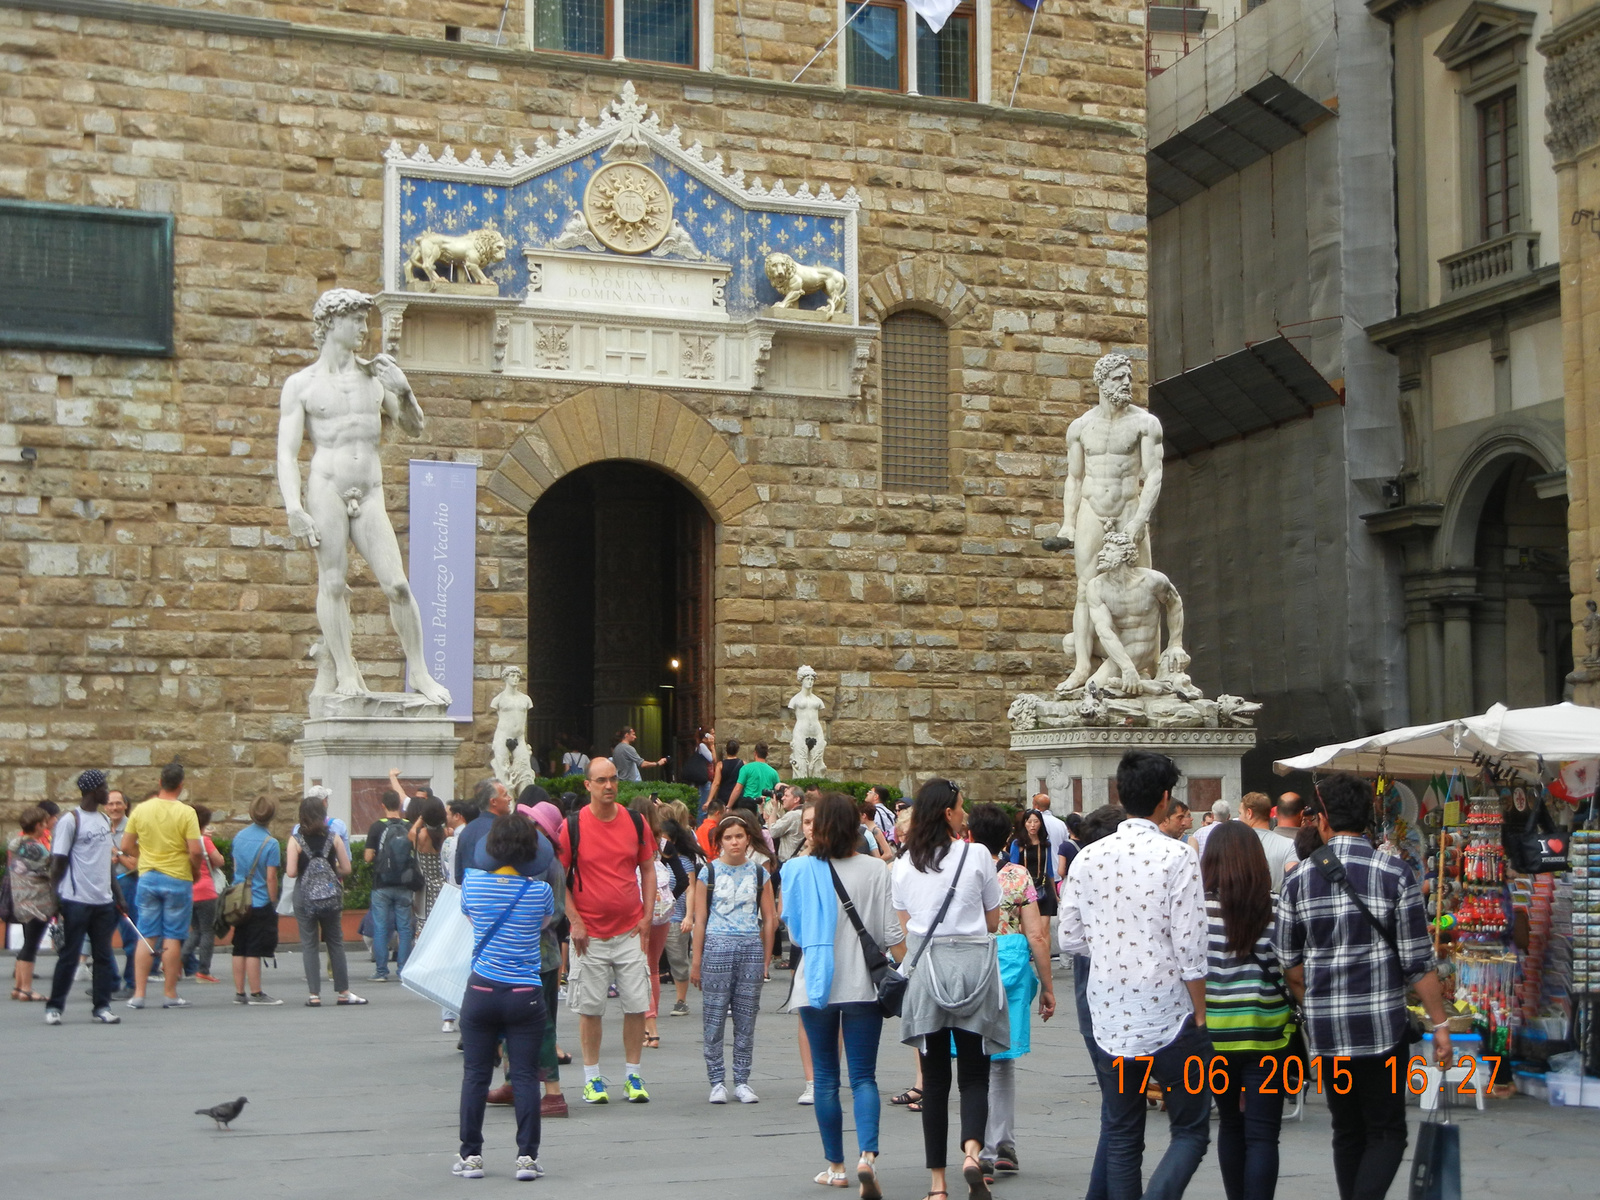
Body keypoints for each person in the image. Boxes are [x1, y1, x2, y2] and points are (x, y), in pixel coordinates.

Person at [1275, 773, 1450, 1200]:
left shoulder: (1298, 879)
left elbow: (1289, 963)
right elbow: (1417, 961)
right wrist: (1440, 1026)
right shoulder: (1395, 872)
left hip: (1329, 1032)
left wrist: (1314, 1001)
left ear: (1322, 820)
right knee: (1387, 1131)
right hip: (1383, 1030)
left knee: (1346, 1130)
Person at [274, 287, 450, 706]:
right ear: (332, 323)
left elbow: (414, 428)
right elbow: (285, 452)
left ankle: (420, 671)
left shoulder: (375, 376)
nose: (364, 329)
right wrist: (293, 507)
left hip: (370, 493)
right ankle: (347, 668)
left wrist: (404, 391)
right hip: (326, 488)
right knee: (333, 582)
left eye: (364, 321)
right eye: (357, 321)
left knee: (398, 586)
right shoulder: (301, 385)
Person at [1059, 750, 1211, 1200]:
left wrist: (1108, 948)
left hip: (1110, 1014)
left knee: (1123, 1133)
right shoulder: (1177, 857)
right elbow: (1191, 947)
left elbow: (1069, 936)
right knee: (1190, 1130)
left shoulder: (1089, 858)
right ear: (1165, 799)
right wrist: (1200, 1014)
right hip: (1171, 1015)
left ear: (1121, 794)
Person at [781, 789, 904, 1193]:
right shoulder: (874, 869)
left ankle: (835, 1166)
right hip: (863, 985)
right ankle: (867, 1155)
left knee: (826, 1079)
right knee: (865, 1077)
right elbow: (889, 933)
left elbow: (794, 932)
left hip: (815, 983)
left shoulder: (797, 869)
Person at [893, 779, 1005, 1200]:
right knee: (975, 1073)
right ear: (947, 813)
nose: (965, 812)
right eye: (961, 806)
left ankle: (938, 1186)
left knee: (935, 1080)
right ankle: (973, 1153)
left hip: (927, 971)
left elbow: (905, 929)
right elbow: (993, 921)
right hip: (973, 968)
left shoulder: (903, 864)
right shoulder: (977, 855)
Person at [455, 813, 557, 1181]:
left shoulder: (473, 885)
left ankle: (470, 1157)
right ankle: (527, 1159)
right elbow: (545, 925)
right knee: (526, 1076)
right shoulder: (540, 892)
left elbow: (471, 919)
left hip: (481, 989)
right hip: (524, 994)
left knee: (475, 1076)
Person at [556, 757, 658, 1105]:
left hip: (630, 930)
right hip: (590, 935)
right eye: (601, 780)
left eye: (613, 779)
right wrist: (575, 921)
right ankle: (592, 1079)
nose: (609, 786)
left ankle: (633, 1076)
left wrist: (647, 916)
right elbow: (559, 877)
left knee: (636, 1004)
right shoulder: (573, 826)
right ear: (587, 785)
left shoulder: (635, 821)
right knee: (590, 1008)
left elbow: (647, 868)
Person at [1201, 821, 1293, 1200]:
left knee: (1230, 1126)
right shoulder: (1276, 907)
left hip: (1214, 1037)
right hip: (1269, 1035)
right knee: (1263, 1132)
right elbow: (1290, 968)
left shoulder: (1196, 909)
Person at [968, 803, 1055, 1181]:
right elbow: (1037, 934)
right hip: (1012, 967)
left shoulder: (962, 871)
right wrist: (1048, 987)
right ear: (1007, 838)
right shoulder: (1018, 875)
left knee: (974, 1062)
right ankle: (1003, 1142)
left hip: (971, 966)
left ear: (968, 833)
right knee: (1004, 1060)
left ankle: (979, 1148)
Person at [691, 809, 777, 1104]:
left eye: (739, 836)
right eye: (728, 838)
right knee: (714, 1017)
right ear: (720, 842)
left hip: (750, 947)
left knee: (746, 1017)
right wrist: (696, 961)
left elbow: (770, 918)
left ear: (748, 839)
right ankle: (716, 1080)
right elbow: (699, 919)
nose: (735, 842)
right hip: (717, 946)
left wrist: (765, 959)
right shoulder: (709, 872)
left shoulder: (758, 872)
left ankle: (742, 1080)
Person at [1067, 803, 1127, 1200]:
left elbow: (1069, 938)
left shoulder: (1083, 867)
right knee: (1120, 1104)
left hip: (1089, 973)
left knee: (1115, 1095)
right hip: (1126, 979)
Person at [121, 760, 203, 1010]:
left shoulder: (141, 810)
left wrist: (142, 854)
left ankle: (139, 994)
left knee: (147, 935)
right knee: (173, 936)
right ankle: (169, 993)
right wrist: (195, 870)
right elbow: (196, 851)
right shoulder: (186, 812)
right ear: (181, 785)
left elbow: (125, 846)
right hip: (177, 877)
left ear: (159, 782)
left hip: (148, 876)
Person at [44, 770, 122, 1025]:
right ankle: (54, 1007)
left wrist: (118, 895)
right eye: (104, 786)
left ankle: (102, 1006)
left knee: (103, 956)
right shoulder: (70, 820)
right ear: (92, 790)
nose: (107, 791)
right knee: (70, 954)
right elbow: (57, 862)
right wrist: (55, 900)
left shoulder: (102, 819)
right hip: (76, 900)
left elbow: (107, 862)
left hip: (103, 901)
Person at [286, 796, 365, 1007]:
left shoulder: (296, 840)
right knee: (335, 943)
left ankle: (314, 995)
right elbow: (347, 869)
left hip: (304, 897)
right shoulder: (334, 837)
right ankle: (343, 991)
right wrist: (331, 871)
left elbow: (291, 872)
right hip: (330, 896)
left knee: (309, 944)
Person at [633, 797, 689, 1050]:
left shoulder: (629, 842)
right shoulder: (663, 843)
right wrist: (668, 900)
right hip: (662, 914)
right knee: (653, 968)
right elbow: (682, 878)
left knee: (638, 968)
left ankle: (648, 1026)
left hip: (636, 912)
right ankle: (650, 1024)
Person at [229, 796, 283, 1005]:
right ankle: (257, 992)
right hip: (259, 900)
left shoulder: (239, 837)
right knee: (254, 948)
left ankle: (239, 992)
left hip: (239, 898)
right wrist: (272, 900)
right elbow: (271, 877)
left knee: (239, 945)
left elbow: (235, 868)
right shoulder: (271, 843)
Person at [364, 788, 417, 981]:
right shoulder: (409, 825)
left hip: (382, 884)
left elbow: (368, 857)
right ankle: (403, 971)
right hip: (404, 883)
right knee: (404, 928)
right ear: (399, 805)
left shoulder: (377, 827)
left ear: (383, 805)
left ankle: (380, 972)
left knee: (380, 927)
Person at [8, 807, 57, 1003]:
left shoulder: (15, 843)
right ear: (38, 825)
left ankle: (18, 987)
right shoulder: (37, 848)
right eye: (44, 823)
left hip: (20, 900)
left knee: (26, 943)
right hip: (37, 902)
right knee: (31, 944)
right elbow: (52, 870)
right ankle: (27, 990)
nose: (46, 827)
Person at [660, 802, 702, 1020]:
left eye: (665, 838)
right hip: (654, 919)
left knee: (678, 960)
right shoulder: (651, 861)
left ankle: (681, 1000)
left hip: (676, 918)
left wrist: (689, 916)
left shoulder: (684, 861)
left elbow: (691, 888)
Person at [180, 804, 226, 982]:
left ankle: (177, 961)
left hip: (188, 891)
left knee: (195, 931)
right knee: (207, 931)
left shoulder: (183, 840)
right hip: (206, 890)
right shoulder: (203, 840)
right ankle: (204, 970)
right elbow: (219, 860)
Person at [105, 789, 139, 997]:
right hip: (104, 886)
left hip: (127, 884)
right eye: (110, 804)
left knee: (130, 937)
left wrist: (116, 852)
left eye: (118, 803)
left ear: (126, 805)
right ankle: (110, 981)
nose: (114, 808)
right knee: (101, 937)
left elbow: (136, 865)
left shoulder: (133, 829)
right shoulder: (100, 827)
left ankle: (131, 983)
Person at [1238, 792, 1297, 894]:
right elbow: (1294, 882)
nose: (1239, 818)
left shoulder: (1235, 844)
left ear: (1249, 813)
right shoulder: (1289, 845)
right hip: (1277, 907)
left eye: (1240, 813)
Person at [455, 780, 510, 886]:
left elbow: (458, 876)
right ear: (493, 801)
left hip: (470, 895)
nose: (509, 798)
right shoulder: (503, 830)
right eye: (505, 795)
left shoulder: (466, 831)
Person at [1008, 810, 1058, 924]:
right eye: (1029, 822)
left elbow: (1049, 869)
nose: (1033, 825)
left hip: (1044, 886)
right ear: (1024, 823)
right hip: (1025, 888)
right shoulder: (1017, 844)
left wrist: (1055, 894)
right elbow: (1013, 869)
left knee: (1044, 927)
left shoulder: (1046, 844)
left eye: (1036, 822)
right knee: (1029, 927)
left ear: (1041, 823)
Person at [411, 795, 450, 931]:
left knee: (424, 924)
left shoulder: (421, 835)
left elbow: (410, 834)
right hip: (444, 886)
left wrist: (422, 817)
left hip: (425, 888)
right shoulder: (448, 833)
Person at [682, 727, 720, 815]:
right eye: (712, 734)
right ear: (706, 736)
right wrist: (712, 746)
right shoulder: (702, 746)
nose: (714, 736)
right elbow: (712, 759)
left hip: (706, 779)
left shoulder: (704, 747)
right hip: (704, 780)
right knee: (703, 807)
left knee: (704, 805)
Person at [730, 741, 780, 807]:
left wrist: (729, 806)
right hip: (766, 807)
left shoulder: (746, 768)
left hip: (749, 806)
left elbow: (738, 789)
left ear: (755, 753)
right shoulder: (773, 772)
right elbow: (778, 789)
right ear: (767, 754)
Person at [713, 738, 744, 814]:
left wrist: (709, 799)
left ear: (726, 750)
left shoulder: (720, 765)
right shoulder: (743, 764)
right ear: (737, 750)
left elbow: (716, 783)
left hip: (723, 796)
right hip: (738, 797)